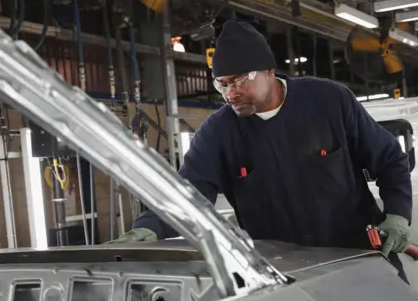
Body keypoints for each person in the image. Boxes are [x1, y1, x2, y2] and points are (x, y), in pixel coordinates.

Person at [114, 20, 412, 256]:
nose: (230, 93)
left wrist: (397, 214)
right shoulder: (219, 133)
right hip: (285, 270)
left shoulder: (329, 101)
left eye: (240, 81)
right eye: (223, 85)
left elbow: (388, 157)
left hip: (359, 254)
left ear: (269, 70)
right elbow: (187, 192)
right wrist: (150, 226)